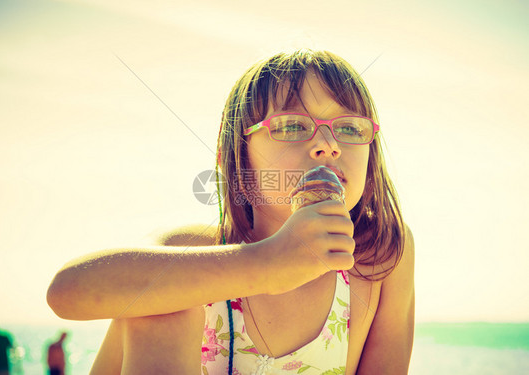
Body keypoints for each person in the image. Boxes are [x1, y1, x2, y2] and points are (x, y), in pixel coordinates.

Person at [47, 49, 415, 374]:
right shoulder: (187, 249)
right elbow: (66, 292)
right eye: (290, 126)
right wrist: (268, 264)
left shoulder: (378, 257)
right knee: (163, 299)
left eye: (349, 127)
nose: (327, 145)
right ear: (236, 158)